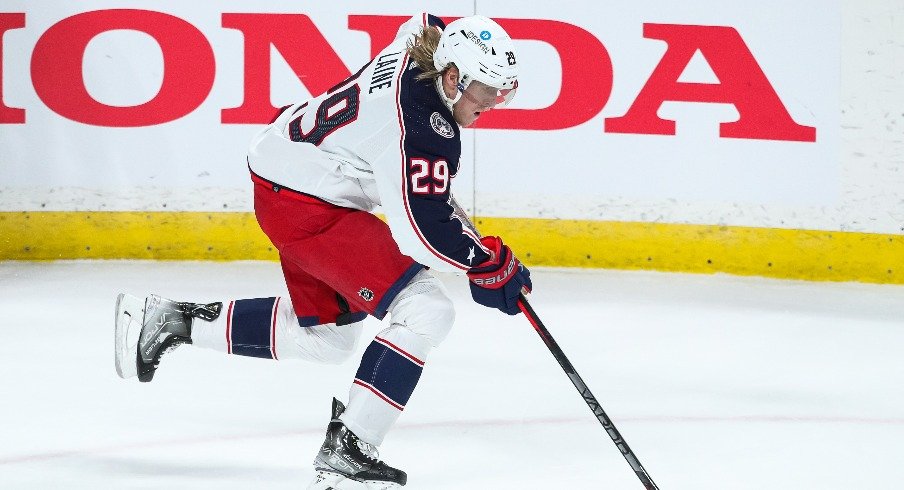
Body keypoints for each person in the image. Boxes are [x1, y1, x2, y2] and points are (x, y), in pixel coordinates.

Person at [114, 13, 532, 490]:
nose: (493, 102)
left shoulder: (415, 52)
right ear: (453, 79)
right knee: (427, 310)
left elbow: (422, 22)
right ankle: (350, 447)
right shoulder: (421, 128)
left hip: (288, 172)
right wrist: (489, 264)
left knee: (327, 340)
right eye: (485, 89)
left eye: (503, 91)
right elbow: (420, 232)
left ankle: (169, 320)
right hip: (306, 203)